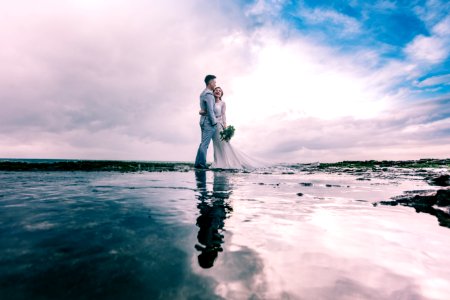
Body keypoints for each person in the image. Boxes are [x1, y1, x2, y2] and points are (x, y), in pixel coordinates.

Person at [200, 86, 267, 169]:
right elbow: (204, 111)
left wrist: (225, 127)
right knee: (216, 145)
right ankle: (218, 162)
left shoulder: (222, 103)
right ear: (213, 92)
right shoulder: (211, 102)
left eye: (220, 91)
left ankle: (227, 163)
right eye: (216, 90)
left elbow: (223, 115)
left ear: (221, 94)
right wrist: (202, 112)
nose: (218, 91)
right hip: (211, 126)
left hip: (219, 126)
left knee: (223, 144)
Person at [194, 75, 218, 169]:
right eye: (214, 82)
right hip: (208, 121)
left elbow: (204, 109)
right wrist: (214, 122)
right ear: (210, 83)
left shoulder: (202, 93)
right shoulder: (209, 94)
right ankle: (202, 164)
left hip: (203, 121)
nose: (215, 84)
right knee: (205, 144)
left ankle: (198, 163)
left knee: (203, 143)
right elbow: (210, 110)